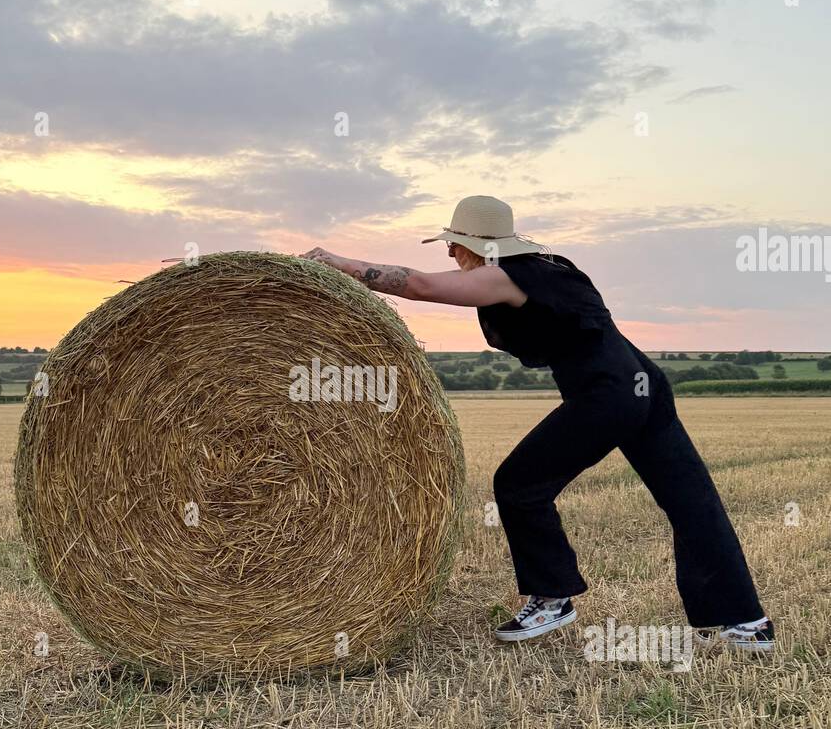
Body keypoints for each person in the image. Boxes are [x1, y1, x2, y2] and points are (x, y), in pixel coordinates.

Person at [303, 194, 774, 653]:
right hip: (642, 383)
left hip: (607, 393)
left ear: (479, 245)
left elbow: (422, 286)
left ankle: (552, 598)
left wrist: (339, 262)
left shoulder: (506, 277)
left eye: (454, 243)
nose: (449, 252)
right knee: (690, 500)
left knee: (518, 483)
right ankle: (745, 622)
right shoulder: (551, 269)